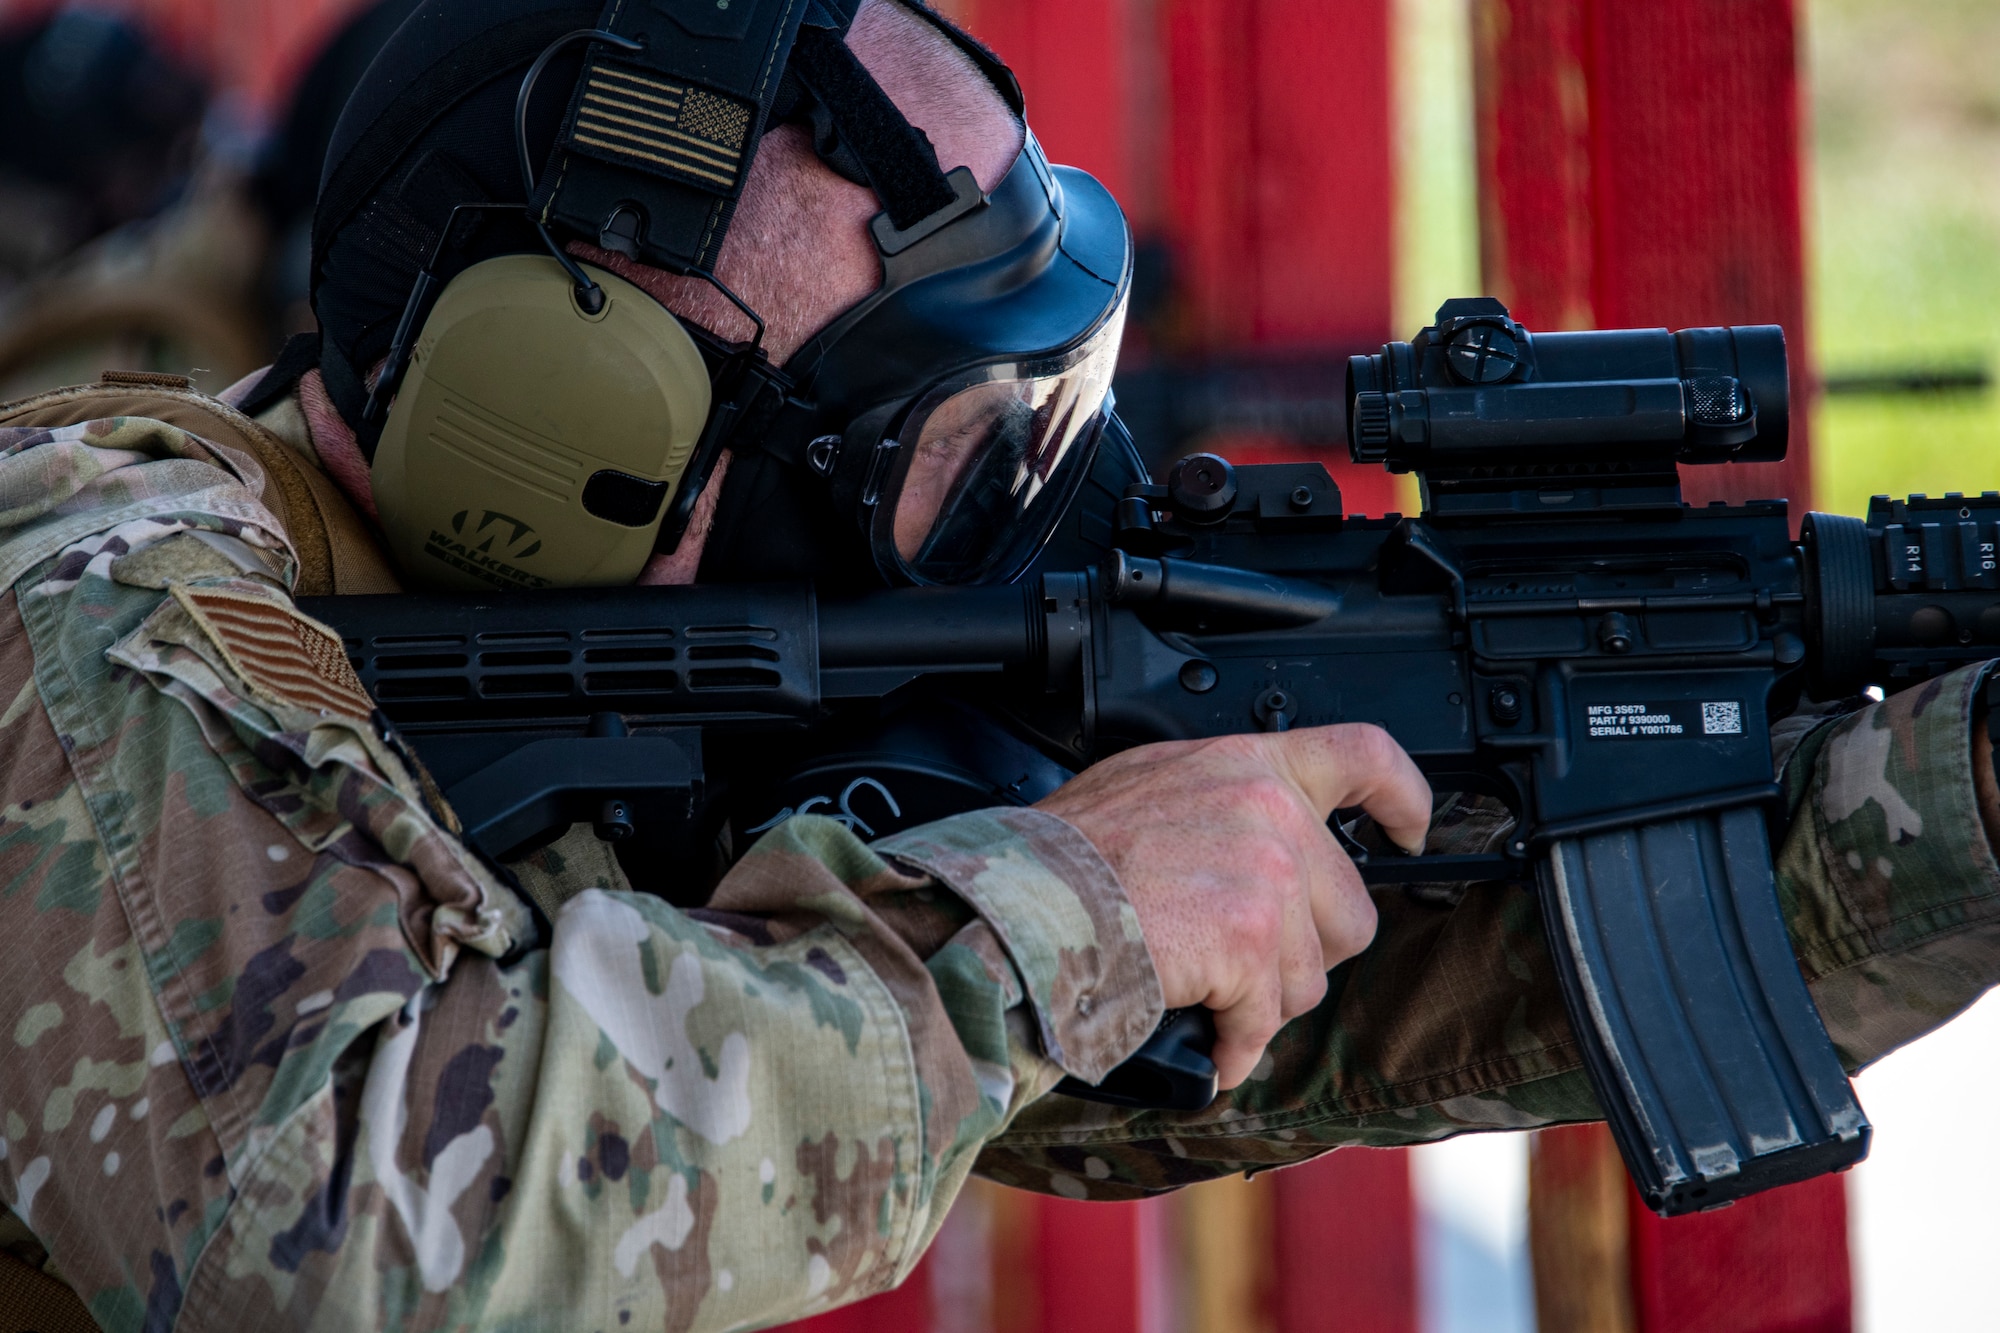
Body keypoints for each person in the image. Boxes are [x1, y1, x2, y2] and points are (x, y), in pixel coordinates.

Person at [0, 1, 1993, 1329]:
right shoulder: (82, 596)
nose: (1042, 510)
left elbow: (1252, 1017)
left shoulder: (669, 683)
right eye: (951, 444)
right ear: (563, 427)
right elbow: (343, 1235)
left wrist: (1952, 806)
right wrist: (1073, 903)